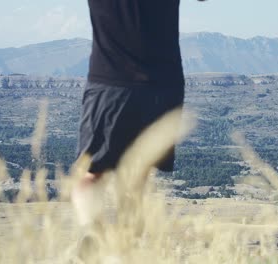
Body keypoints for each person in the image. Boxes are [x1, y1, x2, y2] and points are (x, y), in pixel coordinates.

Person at [72, 0, 205, 225]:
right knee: (137, 176)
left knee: (90, 173)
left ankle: (93, 232)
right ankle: (128, 246)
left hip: (110, 81)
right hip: (163, 85)